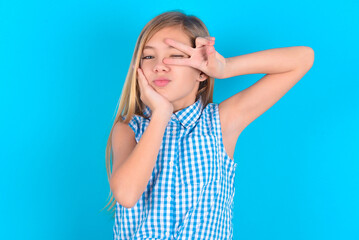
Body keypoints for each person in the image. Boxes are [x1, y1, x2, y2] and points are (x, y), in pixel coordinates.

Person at [103, 10, 314, 240]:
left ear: (201, 72)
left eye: (176, 55)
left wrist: (225, 68)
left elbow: (302, 58)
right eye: (148, 56)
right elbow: (126, 194)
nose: (160, 66)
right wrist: (160, 115)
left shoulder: (221, 122)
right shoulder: (128, 129)